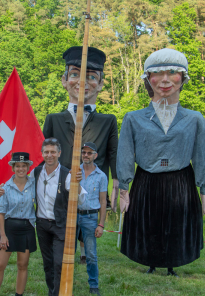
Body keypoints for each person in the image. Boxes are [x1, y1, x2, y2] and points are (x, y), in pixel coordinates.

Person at [117, 48, 205, 277]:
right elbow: (126, 154)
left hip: (181, 181)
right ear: (149, 79)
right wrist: (124, 188)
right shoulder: (133, 118)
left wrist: (203, 189)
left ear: (183, 78)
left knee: (176, 225)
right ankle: (150, 262)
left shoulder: (194, 119)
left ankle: (171, 265)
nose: (165, 80)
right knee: (149, 223)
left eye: (172, 72)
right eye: (158, 73)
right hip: (146, 181)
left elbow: (201, 154)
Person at [43, 46, 119, 263]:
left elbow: (113, 153)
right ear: (64, 80)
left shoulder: (109, 121)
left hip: (92, 185)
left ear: (101, 84)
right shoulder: (53, 119)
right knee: (62, 222)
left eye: (91, 77)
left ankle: (86, 250)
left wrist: (118, 185)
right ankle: (64, 250)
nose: (82, 82)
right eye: (75, 75)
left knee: (87, 219)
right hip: (60, 185)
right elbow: (43, 154)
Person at [0, 138, 85, 296]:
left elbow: (81, 200)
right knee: (48, 263)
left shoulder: (68, 174)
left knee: (59, 262)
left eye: (53, 152)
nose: (49, 155)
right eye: (46, 152)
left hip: (60, 225)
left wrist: (77, 183)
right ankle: (53, 293)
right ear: (42, 154)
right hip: (42, 225)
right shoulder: (36, 173)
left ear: (59, 153)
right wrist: (1, 188)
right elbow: (18, 181)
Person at [0, 152, 37, 296]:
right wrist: (3, 235)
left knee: (22, 265)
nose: (21, 169)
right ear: (13, 168)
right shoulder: (5, 188)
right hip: (9, 228)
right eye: (17, 166)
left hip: (27, 228)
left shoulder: (35, 184)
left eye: (24, 166)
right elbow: (1, 213)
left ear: (28, 167)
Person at [77, 142, 107, 296]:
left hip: (90, 216)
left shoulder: (101, 176)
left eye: (89, 153)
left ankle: (94, 285)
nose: (86, 155)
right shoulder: (74, 171)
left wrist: (101, 224)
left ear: (95, 155)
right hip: (73, 215)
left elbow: (103, 201)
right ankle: (63, 282)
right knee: (65, 251)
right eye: (84, 152)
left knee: (91, 254)